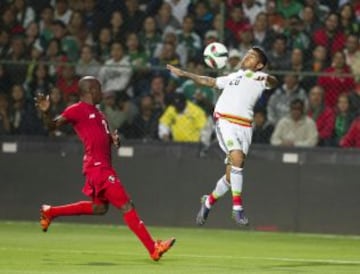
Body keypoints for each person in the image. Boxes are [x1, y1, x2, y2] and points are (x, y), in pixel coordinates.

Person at [34, 76, 175, 261]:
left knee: (99, 208)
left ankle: (50, 212)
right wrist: (46, 112)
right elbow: (52, 125)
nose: (102, 93)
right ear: (91, 91)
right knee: (126, 205)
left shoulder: (99, 114)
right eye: (100, 89)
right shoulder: (76, 110)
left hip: (101, 166)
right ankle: (153, 249)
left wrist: (113, 140)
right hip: (98, 168)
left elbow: (101, 137)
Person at [167, 46, 278, 226]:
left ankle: (208, 201)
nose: (246, 57)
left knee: (230, 175)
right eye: (247, 54)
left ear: (259, 65)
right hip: (225, 121)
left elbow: (273, 82)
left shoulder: (259, 78)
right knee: (237, 157)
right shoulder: (233, 76)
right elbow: (209, 81)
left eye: (252, 57)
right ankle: (237, 209)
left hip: (245, 126)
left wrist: (267, 76)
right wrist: (185, 74)